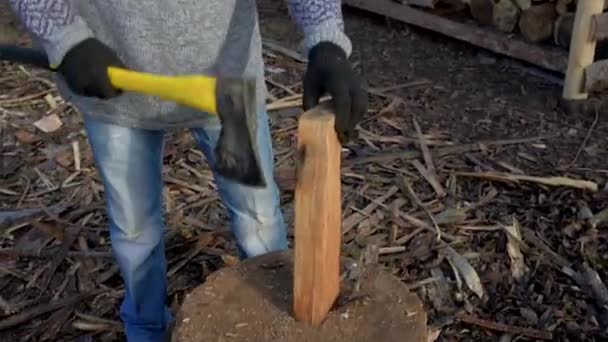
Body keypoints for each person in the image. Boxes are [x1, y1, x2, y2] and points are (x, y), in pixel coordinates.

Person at [9, 1, 368, 341]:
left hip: (226, 88)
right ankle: (146, 329)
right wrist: (65, 37)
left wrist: (325, 39)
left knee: (257, 220)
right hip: (113, 95)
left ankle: (271, 323)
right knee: (135, 234)